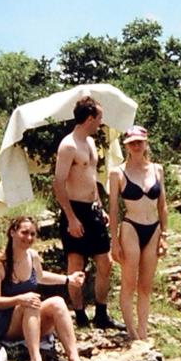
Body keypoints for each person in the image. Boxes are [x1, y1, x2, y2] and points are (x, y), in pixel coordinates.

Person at [0, 216, 95, 361]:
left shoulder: (33, 256)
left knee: (57, 302)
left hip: (27, 316)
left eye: (32, 234)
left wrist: (69, 279)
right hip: (3, 325)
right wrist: (20, 299)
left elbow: (41, 277)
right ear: (12, 232)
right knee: (31, 303)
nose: (28, 238)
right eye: (24, 233)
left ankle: (74, 359)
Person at [53, 96, 123, 330]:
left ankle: (101, 313)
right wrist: (71, 218)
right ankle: (80, 315)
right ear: (90, 118)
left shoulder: (90, 142)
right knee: (76, 264)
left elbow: (91, 178)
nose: (101, 122)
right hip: (74, 209)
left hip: (92, 208)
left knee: (105, 262)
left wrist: (99, 205)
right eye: (99, 117)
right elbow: (58, 182)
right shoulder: (68, 145)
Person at [107, 125, 169, 340]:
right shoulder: (117, 172)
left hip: (153, 228)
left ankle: (143, 331)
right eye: (132, 143)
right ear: (126, 146)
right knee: (129, 283)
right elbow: (113, 209)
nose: (136, 146)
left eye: (139, 142)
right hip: (130, 227)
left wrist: (164, 235)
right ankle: (131, 332)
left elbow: (162, 205)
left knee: (145, 285)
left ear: (145, 143)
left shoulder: (157, 169)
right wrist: (114, 241)